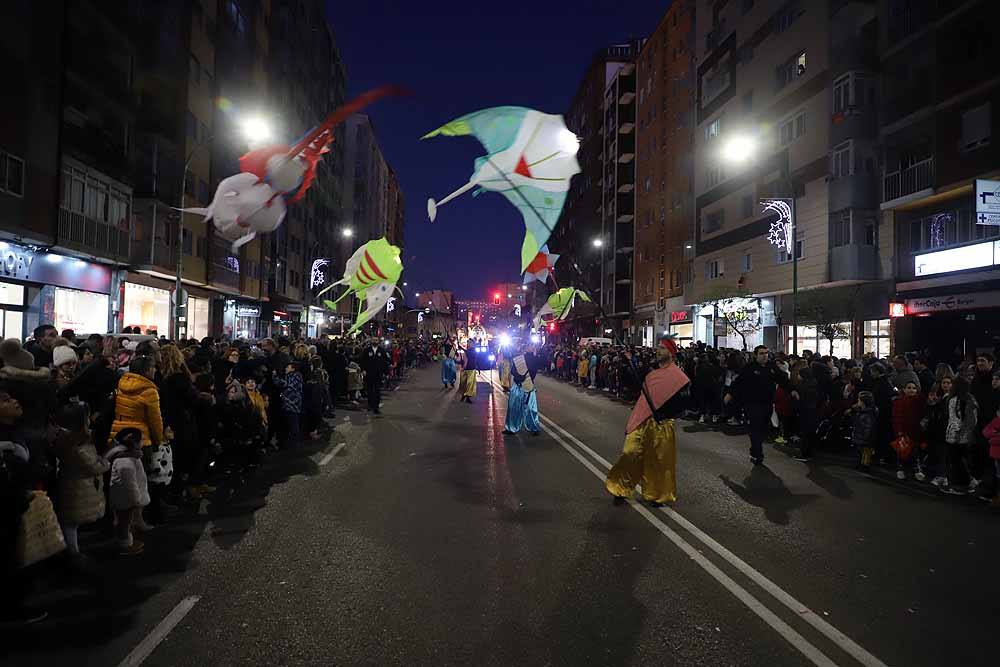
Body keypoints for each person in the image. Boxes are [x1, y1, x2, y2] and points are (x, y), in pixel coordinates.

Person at [606, 335, 690, 506]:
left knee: (659, 461)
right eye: (658, 347)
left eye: (663, 348)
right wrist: (626, 364)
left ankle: (657, 494)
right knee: (630, 453)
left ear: (672, 353)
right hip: (642, 419)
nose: (659, 350)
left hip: (662, 423)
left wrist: (666, 412)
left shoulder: (680, 378)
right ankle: (621, 487)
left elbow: (683, 405)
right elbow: (632, 384)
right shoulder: (650, 372)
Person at [52, 402, 108, 558]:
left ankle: (73, 551)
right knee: (71, 523)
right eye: (87, 418)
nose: (90, 420)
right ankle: (73, 554)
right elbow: (93, 466)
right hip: (77, 488)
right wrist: (105, 461)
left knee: (70, 522)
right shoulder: (78, 445)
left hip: (72, 485)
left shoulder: (64, 438)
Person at [725, 345, 795, 465]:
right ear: (756, 355)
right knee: (755, 428)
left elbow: (783, 380)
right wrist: (730, 394)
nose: (765, 356)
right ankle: (758, 454)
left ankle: (754, 449)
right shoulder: (749, 368)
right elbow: (738, 382)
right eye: (762, 353)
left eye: (766, 353)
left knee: (762, 429)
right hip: (752, 404)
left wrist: (793, 390)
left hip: (767, 404)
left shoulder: (771, 367)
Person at [106, 428, 149, 556]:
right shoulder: (125, 461)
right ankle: (125, 545)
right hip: (125, 498)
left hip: (126, 498)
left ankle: (127, 541)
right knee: (124, 521)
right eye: (140, 440)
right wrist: (136, 499)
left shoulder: (129, 456)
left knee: (126, 520)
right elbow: (129, 483)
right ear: (133, 442)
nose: (142, 442)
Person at [942, 376, 979, 495]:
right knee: (964, 459)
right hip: (968, 436)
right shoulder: (971, 399)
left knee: (954, 461)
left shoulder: (953, 400)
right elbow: (973, 419)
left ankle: (957, 486)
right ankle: (969, 482)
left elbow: (954, 419)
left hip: (955, 436)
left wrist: (954, 435)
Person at [891, 380, 925, 480]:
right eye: (909, 388)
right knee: (902, 451)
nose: (911, 390)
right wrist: (899, 430)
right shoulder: (899, 402)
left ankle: (916, 469)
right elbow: (897, 417)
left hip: (915, 431)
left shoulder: (919, 401)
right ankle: (900, 469)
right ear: (904, 389)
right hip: (903, 430)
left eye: (914, 388)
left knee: (915, 452)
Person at [502, 346, 540, 435]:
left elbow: (513, 371)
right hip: (522, 385)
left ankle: (530, 427)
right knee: (526, 408)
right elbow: (514, 371)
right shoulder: (520, 359)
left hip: (524, 385)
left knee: (523, 408)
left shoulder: (532, 359)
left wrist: (520, 377)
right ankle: (516, 428)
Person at [361, 339, 390, 414]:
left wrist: (386, 372)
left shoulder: (382, 350)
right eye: (373, 340)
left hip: (378, 374)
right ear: (371, 341)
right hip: (369, 373)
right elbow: (363, 360)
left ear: (378, 342)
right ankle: (370, 405)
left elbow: (385, 362)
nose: (375, 341)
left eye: (376, 340)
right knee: (370, 390)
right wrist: (363, 370)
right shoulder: (367, 350)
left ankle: (376, 407)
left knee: (377, 391)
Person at [852, 390, 878, 469]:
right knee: (861, 452)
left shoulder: (867, 414)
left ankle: (865, 465)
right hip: (861, 436)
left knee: (865, 453)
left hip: (865, 438)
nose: (858, 402)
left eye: (859, 400)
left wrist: (866, 437)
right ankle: (861, 464)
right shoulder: (862, 412)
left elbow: (868, 427)